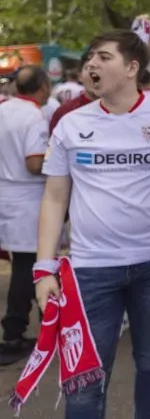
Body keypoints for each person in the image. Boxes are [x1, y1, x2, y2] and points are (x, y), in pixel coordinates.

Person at [36, 30, 150, 419]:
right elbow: (54, 198)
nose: (91, 65)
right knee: (85, 379)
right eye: (88, 59)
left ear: (132, 68)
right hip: (90, 271)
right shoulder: (70, 124)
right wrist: (43, 268)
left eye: (103, 57)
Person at [0, 66, 51, 364]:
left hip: (7, 197)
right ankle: (14, 332)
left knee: (24, 265)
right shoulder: (33, 116)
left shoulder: (4, 109)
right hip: (27, 200)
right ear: (42, 86)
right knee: (28, 268)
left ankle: (22, 328)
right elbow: (34, 163)